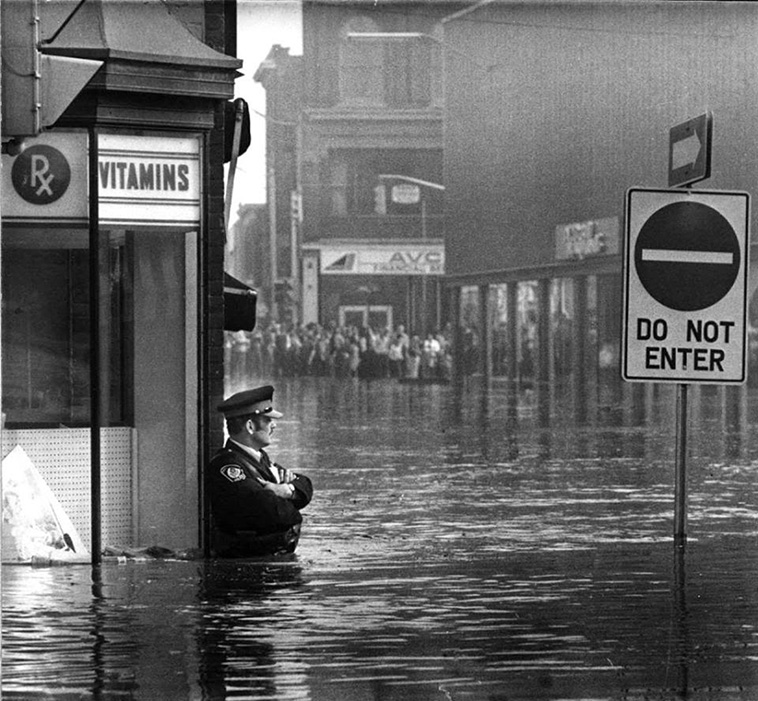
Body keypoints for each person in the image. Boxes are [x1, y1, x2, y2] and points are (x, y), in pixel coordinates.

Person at [207, 385, 313, 557]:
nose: (274, 426)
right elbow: (272, 511)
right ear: (250, 426)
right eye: (268, 420)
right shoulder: (227, 466)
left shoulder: (260, 459)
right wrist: (290, 503)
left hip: (273, 560)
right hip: (248, 568)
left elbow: (305, 485)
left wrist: (286, 490)